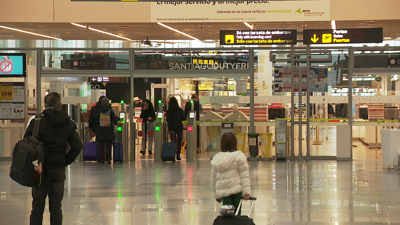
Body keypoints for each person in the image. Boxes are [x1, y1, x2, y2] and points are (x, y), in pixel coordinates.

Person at [24, 92, 83, 225]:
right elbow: (78, 145)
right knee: (56, 207)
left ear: (45, 105)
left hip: (38, 169)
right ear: (60, 105)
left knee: (37, 206)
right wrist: (66, 160)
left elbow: (26, 144)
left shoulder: (36, 121)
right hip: (58, 168)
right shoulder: (68, 123)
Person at [211, 132, 251, 216]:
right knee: (237, 213)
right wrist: (246, 192)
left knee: (227, 214)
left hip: (223, 190)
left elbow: (213, 178)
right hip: (236, 190)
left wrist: (216, 195)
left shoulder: (217, 158)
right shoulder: (239, 156)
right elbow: (244, 175)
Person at [95, 97, 119, 164]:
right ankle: (108, 159)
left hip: (101, 130)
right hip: (109, 130)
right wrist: (118, 119)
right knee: (109, 145)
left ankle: (101, 158)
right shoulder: (110, 111)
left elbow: (96, 121)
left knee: (101, 145)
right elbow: (114, 119)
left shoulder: (99, 111)